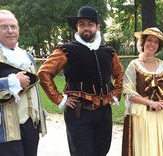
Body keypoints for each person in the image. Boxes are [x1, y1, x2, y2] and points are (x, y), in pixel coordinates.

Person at [37, 6, 124, 156]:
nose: (86, 28)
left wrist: (116, 93)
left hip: (104, 112)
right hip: (78, 112)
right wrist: (59, 99)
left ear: (97, 27)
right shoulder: (66, 50)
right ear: (77, 27)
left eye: (90, 24)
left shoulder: (108, 52)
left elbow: (119, 74)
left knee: (102, 151)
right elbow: (44, 73)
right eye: (81, 24)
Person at [0, 9, 47, 156]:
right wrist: (11, 81)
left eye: (13, 26)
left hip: (32, 123)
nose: (10, 31)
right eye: (4, 27)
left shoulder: (27, 55)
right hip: (7, 125)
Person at [122, 27, 163, 156]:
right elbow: (128, 91)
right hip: (141, 115)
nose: (152, 44)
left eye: (156, 42)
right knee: (145, 149)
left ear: (159, 46)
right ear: (143, 42)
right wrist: (150, 103)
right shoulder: (134, 65)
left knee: (161, 147)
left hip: (162, 115)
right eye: (149, 40)